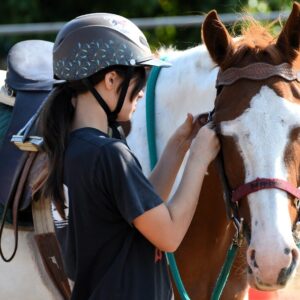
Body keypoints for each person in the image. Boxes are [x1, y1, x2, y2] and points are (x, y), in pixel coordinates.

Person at [38, 13, 220, 300]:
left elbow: (141, 211)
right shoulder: (110, 154)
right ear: (111, 79)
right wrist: (198, 158)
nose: (142, 89)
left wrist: (179, 146)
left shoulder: (73, 148)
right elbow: (169, 235)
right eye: (139, 77)